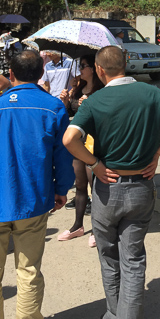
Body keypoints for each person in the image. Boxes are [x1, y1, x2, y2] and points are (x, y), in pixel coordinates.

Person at [63, 45, 160, 318]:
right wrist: (157, 152)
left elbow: (69, 139)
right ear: (127, 64)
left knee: (108, 257)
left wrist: (95, 164)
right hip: (141, 186)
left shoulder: (96, 101)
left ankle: (114, 312)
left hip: (107, 188)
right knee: (133, 259)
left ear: (99, 69)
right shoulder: (152, 93)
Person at [0, 51, 75, 319]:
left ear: (11, 74)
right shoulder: (52, 107)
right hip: (34, 198)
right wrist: (61, 189)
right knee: (28, 271)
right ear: (41, 74)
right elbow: (64, 155)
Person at [57, 53, 104, 245]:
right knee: (80, 185)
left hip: (94, 144)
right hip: (78, 143)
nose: (80, 69)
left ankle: (97, 228)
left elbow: (103, 117)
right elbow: (70, 115)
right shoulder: (77, 89)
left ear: (93, 68)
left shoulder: (100, 91)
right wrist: (66, 103)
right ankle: (77, 225)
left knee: (96, 187)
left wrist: (89, 106)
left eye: (83, 66)